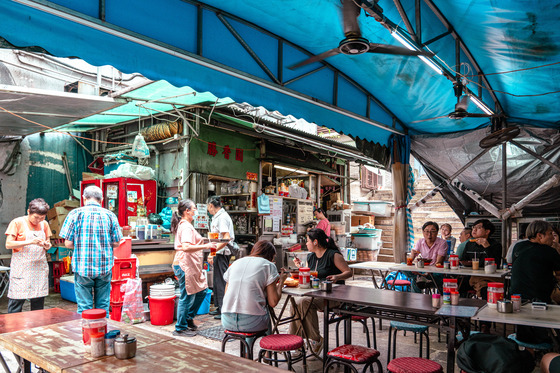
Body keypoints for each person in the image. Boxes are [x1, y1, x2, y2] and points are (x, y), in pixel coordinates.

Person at [60, 186, 122, 314]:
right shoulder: (110, 215)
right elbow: (116, 242)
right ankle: (102, 332)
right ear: (102, 199)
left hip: (83, 268)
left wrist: (81, 245)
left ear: (83, 198)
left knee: (84, 308)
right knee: (103, 305)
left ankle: (86, 333)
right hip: (104, 267)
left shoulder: (75, 214)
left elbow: (68, 243)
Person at [290, 228, 351, 355]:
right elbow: (309, 274)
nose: (306, 244)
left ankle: (316, 340)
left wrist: (337, 277)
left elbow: (349, 272)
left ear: (315, 242)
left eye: (307, 241)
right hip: (316, 292)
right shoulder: (310, 257)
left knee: (305, 302)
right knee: (295, 302)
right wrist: (300, 267)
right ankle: (296, 342)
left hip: (334, 295)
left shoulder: (333, 255)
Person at [171, 199, 216, 337]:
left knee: (202, 291)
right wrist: (205, 246)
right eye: (194, 208)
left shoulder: (188, 226)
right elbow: (185, 247)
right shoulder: (185, 227)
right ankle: (180, 327)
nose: (196, 211)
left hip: (190, 265)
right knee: (186, 296)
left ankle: (188, 318)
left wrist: (206, 240)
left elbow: (191, 242)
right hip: (184, 264)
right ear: (187, 211)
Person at [222, 240, 288, 334]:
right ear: (271, 256)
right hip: (252, 323)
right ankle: (267, 347)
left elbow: (227, 293)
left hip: (227, 320)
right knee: (264, 311)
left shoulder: (235, 263)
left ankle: (247, 348)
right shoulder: (269, 265)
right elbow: (273, 302)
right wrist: (281, 281)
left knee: (255, 311)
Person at [510, 220, 560, 345]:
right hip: (539, 300)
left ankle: (528, 348)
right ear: (540, 236)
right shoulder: (549, 251)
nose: (552, 238)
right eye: (550, 234)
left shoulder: (518, 246)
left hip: (515, 299)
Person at [4, 198, 51, 313]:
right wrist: (30, 242)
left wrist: (46, 245)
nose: (38, 220)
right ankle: (14, 329)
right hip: (22, 269)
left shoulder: (44, 224)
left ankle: (36, 328)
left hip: (39, 269)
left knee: (38, 303)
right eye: (36, 217)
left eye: (42, 218)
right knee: (16, 302)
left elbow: (49, 242)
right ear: (28, 211)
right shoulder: (17, 222)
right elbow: (8, 244)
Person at [207, 195, 237, 320]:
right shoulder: (216, 217)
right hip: (218, 253)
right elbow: (215, 238)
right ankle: (219, 307)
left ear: (211, 205)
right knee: (217, 281)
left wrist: (211, 253)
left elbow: (225, 239)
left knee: (222, 281)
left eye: (208, 207)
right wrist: (212, 253)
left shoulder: (222, 218)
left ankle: (224, 309)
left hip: (223, 253)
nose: (208, 210)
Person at [459, 219, 502, 299]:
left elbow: (496, 263)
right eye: (473, 227)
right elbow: (464, 259)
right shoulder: (470, 243)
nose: (474, 230)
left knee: (485, 290)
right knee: (453, 285)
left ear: (487, 232)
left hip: (486, 278)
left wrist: (487, 247)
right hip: (469, 275)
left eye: (478, 228)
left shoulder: (495, 245)